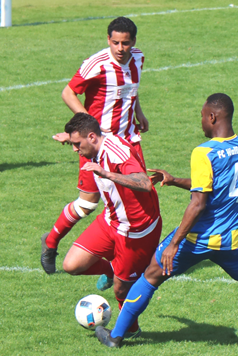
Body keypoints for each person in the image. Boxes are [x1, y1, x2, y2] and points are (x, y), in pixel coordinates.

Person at [95, 93, 238, 353]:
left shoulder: (204, 152)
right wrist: (176, 180)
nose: (200, 121)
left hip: (196, 240)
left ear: (212, 117)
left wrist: (173, 243)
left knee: (148, 278)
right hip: (232, 240)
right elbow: (215, 187)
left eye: (202, 116)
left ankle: (115, 337)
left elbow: (199, 203)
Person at [41, 17, 149, 274]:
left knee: (135, 199)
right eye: (115, 43)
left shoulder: (138, 58)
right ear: (108, 40)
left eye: (125, 43)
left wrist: (138, 112)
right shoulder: (97, 64)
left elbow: (130, 90)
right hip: (99, 145)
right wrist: (85, 126)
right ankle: (51, 242)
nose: (120, 48)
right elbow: (68, 93)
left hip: (129, 141)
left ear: (133, 42)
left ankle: (119, 262)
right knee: (88, 204)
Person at [63, 113, 162, 339]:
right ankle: (110, 270)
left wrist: (107, 173)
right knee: (71, 264)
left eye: (77, 144)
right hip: (111, 222)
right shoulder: (94, 147)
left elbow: (144, 183)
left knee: (121, 289)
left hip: (136, 231)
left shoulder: (117, 153)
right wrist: (68, 138)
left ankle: (131, 330)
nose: (75, 150)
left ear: (92, 137)